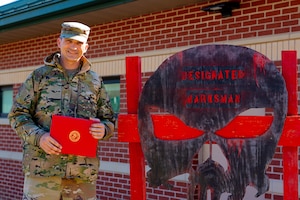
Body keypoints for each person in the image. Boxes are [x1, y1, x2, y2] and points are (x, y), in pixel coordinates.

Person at [8, 22, 115, 200]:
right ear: (59, 42)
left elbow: (108, 119)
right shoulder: (39, 76)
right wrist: (39, 137)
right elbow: (17, 115)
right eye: (69, 41)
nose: (73, 47)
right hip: (42, 171)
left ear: (86, 47)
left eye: (79, 43)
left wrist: (104, 129)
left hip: (81, 174)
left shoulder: (95, 81)